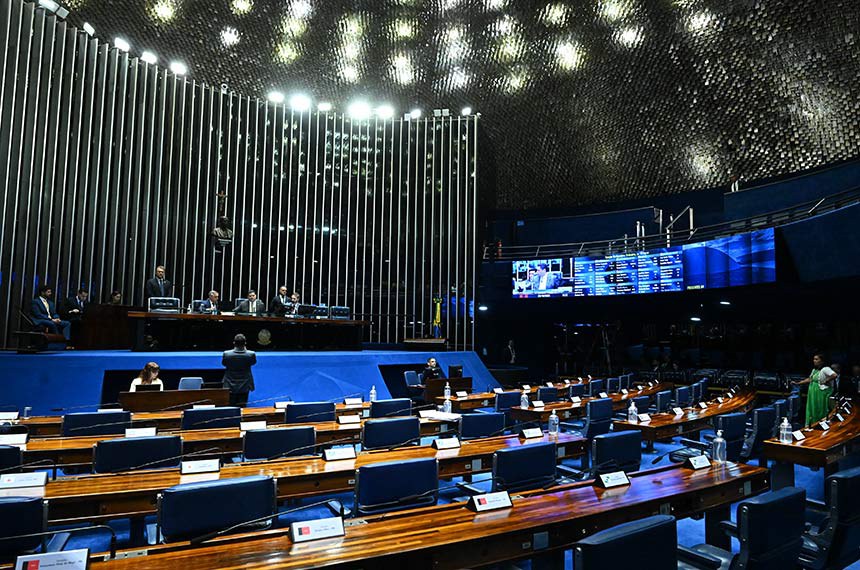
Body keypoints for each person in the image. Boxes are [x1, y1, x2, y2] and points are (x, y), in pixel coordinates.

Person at [792, 352, 837, 426]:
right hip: (813, 393)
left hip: (820, 393)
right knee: (812, 409)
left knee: (819, 409)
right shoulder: (814, 370)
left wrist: (826, 380)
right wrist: (798, 383)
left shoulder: (825, 369)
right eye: (814, 359)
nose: (814, 361)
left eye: (816, 359)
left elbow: (834, 375)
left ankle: (820, 425)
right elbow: (810, 379)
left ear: (822, 361)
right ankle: (811, 425)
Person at [222, 334, 256, 406]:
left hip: (229, 383)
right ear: (245, 343)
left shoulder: (226, 354)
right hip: (245, 384)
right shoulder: (251, 354)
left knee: (230, 406)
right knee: (242, 406)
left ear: (234, 343)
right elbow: (253, 363)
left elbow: (224, 364)